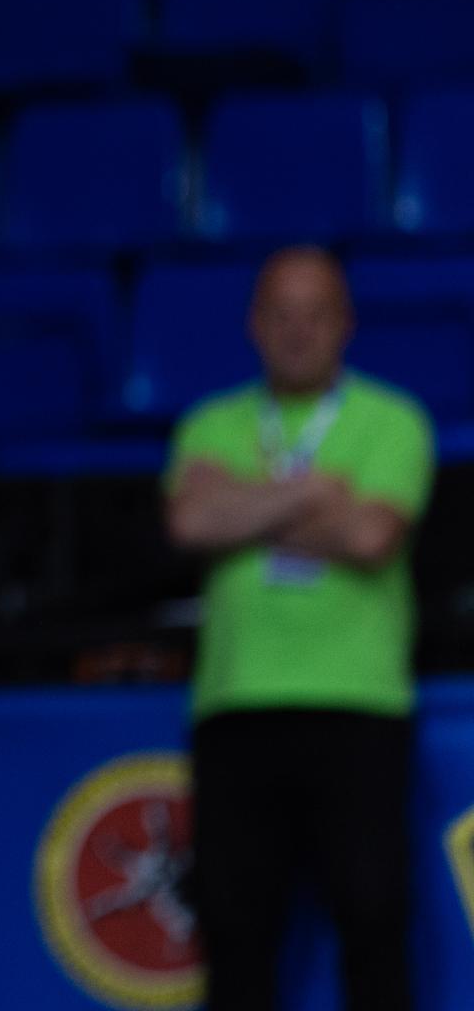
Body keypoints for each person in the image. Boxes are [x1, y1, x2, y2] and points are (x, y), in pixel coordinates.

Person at [165, 246, 433, 1011]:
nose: (298, 329)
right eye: (281, 312)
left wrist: (246, 507)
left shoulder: (394, 419)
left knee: (375, 925)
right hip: (237, 707)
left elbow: (371, 537)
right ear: (254, 325)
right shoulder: (210, 421)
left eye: (316, 312)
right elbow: (190, 520)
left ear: (345, 324)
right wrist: (315, 493)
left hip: (362, 709)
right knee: (235, 935)